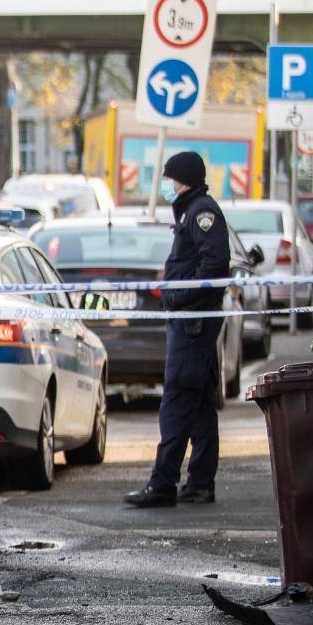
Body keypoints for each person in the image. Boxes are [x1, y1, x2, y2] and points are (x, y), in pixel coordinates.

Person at [124, 151, 230, 509]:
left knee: (177, 400)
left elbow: (214, 265)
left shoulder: (201, 211)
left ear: (182, 178)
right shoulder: (190, 209)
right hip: (191, 319)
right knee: (199, 405)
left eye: (169, 179)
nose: (167, 185)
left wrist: (180, 295)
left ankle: (163, 483)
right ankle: (199, 483)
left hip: (193, 321)